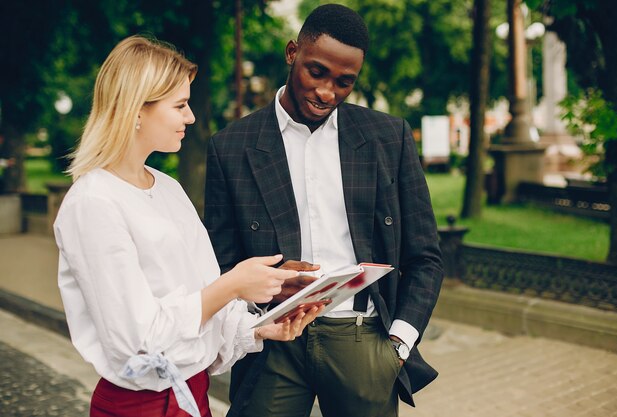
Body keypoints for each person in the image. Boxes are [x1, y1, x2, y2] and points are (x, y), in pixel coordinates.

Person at [53, 35, 322, 417]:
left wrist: (263, 322)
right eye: (179, 105)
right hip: (138, 408)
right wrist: (232, 285)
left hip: (192, 398)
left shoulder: (168, 188)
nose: (191, 117)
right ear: (136, 110)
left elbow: (200, 297)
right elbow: (138, 343)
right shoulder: (93, 203)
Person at [204, 4, 444, 417]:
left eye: (345, 82)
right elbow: (219, 263)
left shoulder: (388, 138)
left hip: (363, 339)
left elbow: (425, 256)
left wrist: (399, 345)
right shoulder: (231, 146)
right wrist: (262, 297)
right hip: (271, 343)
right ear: (292, 52)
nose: (327, 92)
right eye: (317, 72)